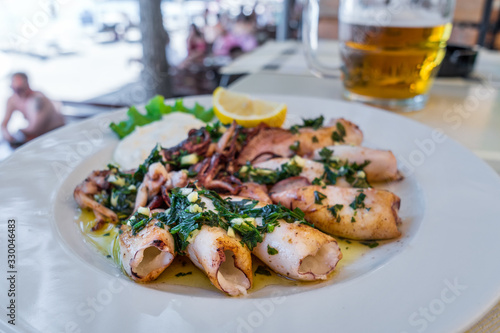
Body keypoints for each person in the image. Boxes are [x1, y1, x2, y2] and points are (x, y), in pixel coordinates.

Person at [2, 72, 65, 145]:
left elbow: (35, 128)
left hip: (55, 133)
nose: (18, 92)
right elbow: (4, 123)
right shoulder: (12, 100)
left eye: (20, 88)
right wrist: (7, 135)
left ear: (27, 84)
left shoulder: (37, 99)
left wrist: (20, 132)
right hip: (39, 137)